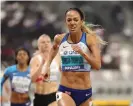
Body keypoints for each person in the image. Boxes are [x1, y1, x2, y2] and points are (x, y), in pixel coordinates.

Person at [43, 8, 106, 106]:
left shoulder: (90, 39)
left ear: (81, 21)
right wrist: (47, 66)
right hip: (65, 91)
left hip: (86, 93)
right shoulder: (59, 38)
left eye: (75, 20)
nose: (72, 23)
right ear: (66, 22)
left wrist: (83, 53)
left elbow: (97, 66)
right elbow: (53, 49)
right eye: (69, 20)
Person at [30, 34, 60, 106]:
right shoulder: (35, 59)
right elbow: (32, 79)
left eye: (48, 42)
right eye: (43, 42)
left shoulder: (57, 57)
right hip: (39, 96)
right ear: (38, 45)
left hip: (53, 95)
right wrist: (42, 64)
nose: (46, 44)